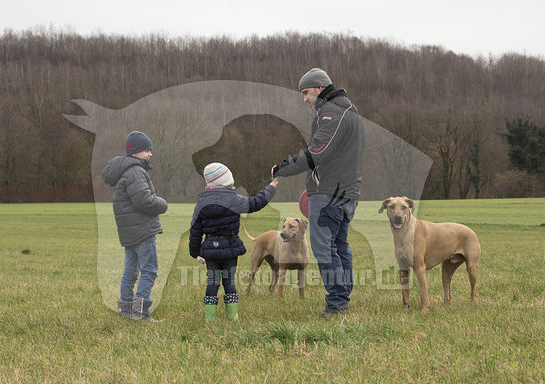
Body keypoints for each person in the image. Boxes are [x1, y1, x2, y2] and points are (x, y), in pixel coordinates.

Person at [271, 68, 365, 316]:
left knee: (325, 248)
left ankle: (336, 304)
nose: (304, 99)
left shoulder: (332, 112)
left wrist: (282, 168)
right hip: (347, 191)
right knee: (339, 244)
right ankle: (342, 298)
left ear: (320, 87)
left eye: (306, 92)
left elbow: (318, 152)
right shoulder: (350, 110)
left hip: (329, 193)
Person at [189, 163, 278, 322]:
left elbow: (195, 230)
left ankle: (209, 317)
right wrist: (271, 187)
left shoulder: (201, 204)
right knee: (229, 282)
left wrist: (195, 252)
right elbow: (256, 202)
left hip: (210, 250)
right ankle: (232, 316)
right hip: (230, 248)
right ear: (225, 181)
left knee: (213, 283)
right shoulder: (233, 199)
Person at [102, 131, 168, 321]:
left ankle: (126, 308)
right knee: (149, 270)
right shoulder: (136, 171)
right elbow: (144, 201)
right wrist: (162, 204)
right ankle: (140, 311)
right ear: (136, 152)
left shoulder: (126, 171)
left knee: (130, 270)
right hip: (143, 231)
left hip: (129, 232)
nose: (150, 154)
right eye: (147, 150)